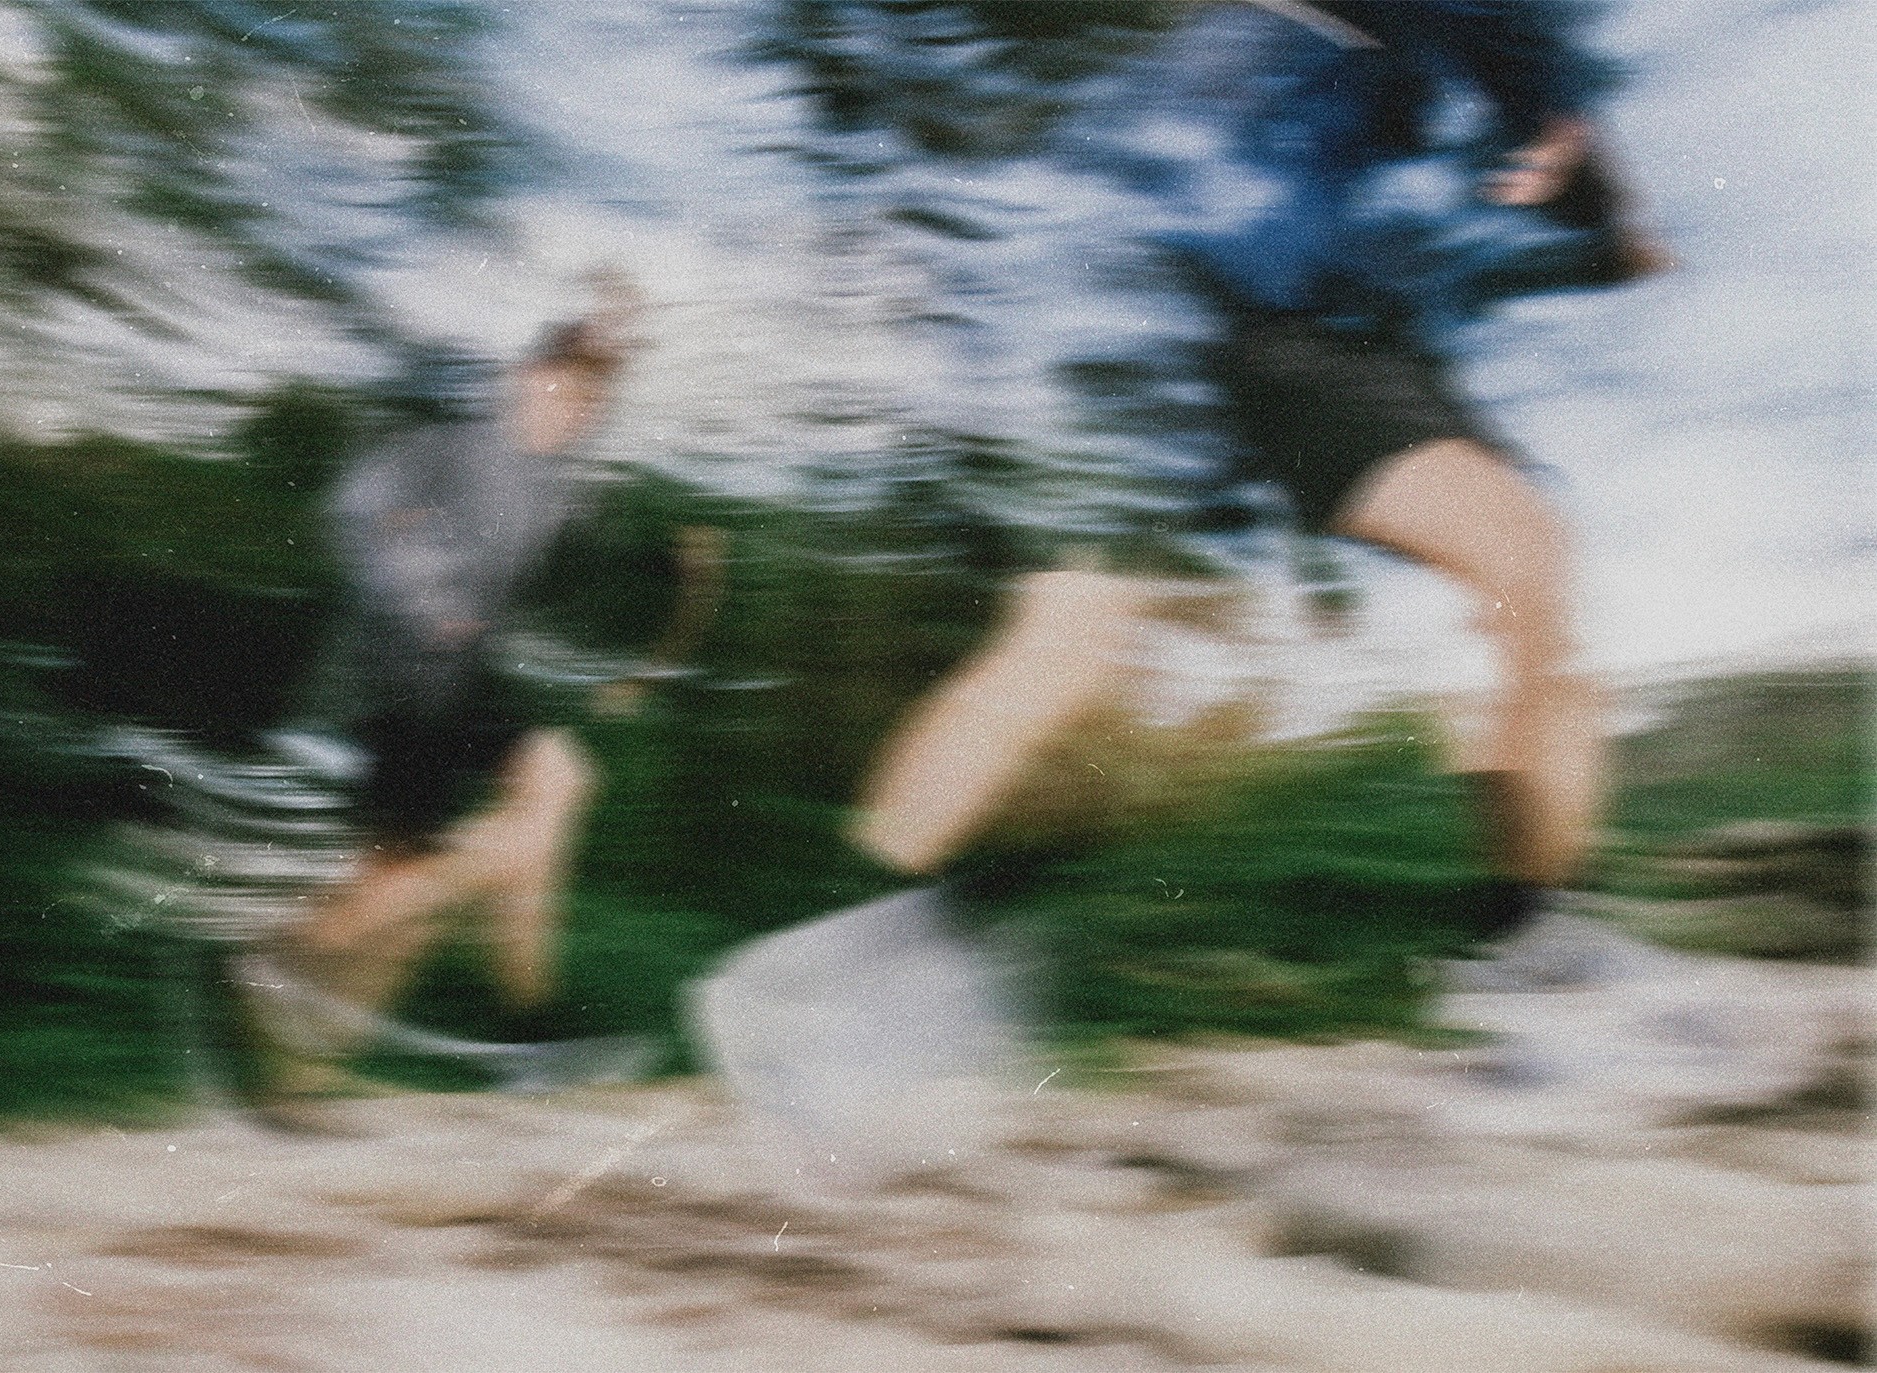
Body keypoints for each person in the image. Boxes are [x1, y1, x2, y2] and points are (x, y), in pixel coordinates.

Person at [847, 1, 1667, 951]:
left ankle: (866, 928)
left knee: (1078, 639)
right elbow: (1552, 139)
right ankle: (1538, 945)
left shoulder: (1242, 66)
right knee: (1521, 559)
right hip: (1271, 319)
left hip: (1113, 298)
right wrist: (1614, 229)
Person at [242, 278, 724, 1114]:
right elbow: (359, 509)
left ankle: (521, 1032)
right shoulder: (447, 448)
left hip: (464, 687)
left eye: (590, 399)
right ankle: (293, 1047)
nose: (574, 409)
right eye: (562, 387)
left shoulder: (561, 494)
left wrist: (678, 579)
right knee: (398, 891)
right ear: (521, 379)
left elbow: (589, 590)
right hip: (396, 682)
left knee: (556, 783)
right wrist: (428, 600)